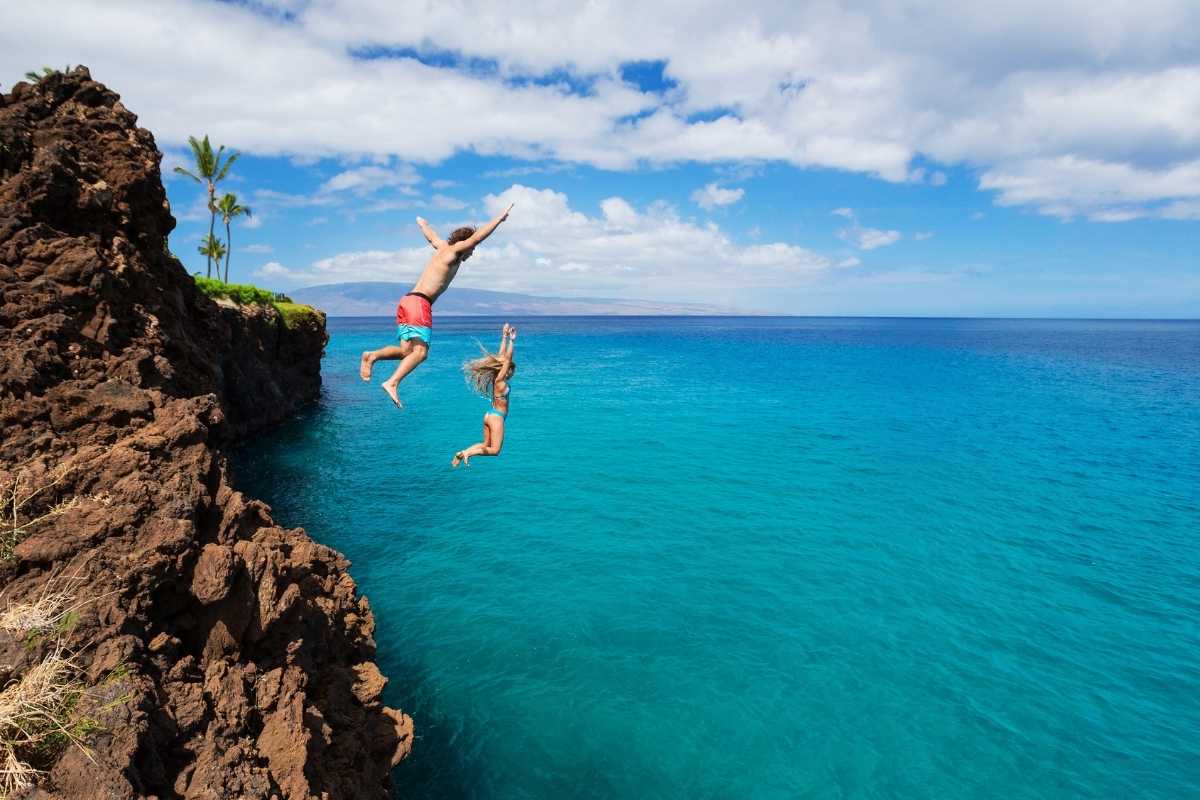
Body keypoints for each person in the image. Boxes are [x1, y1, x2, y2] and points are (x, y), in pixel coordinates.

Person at [359, 204, 514, 408]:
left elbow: (432, 237)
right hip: (420, 304)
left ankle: (373, 355)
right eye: (472, 249)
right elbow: (477, 237)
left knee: (407, 352)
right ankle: (392, 382)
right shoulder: (454, 252)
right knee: (421, 353)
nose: (472, 252)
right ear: (464, 244)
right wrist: (499, 219)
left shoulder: (442, 248)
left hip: (407, 301)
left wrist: (423, 224)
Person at [452, 324, 516, 467]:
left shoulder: (495, 378)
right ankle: (469, 453)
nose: (512, 373)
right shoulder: (500, 381)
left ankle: (462, 453)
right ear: (507, 371)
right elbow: (506, 359)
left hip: (488, 415)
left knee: (485, 444)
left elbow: (501, 357)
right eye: (511, 370)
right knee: (495, 450)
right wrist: (512, 341)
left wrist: (504, 336)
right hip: (497, 417)